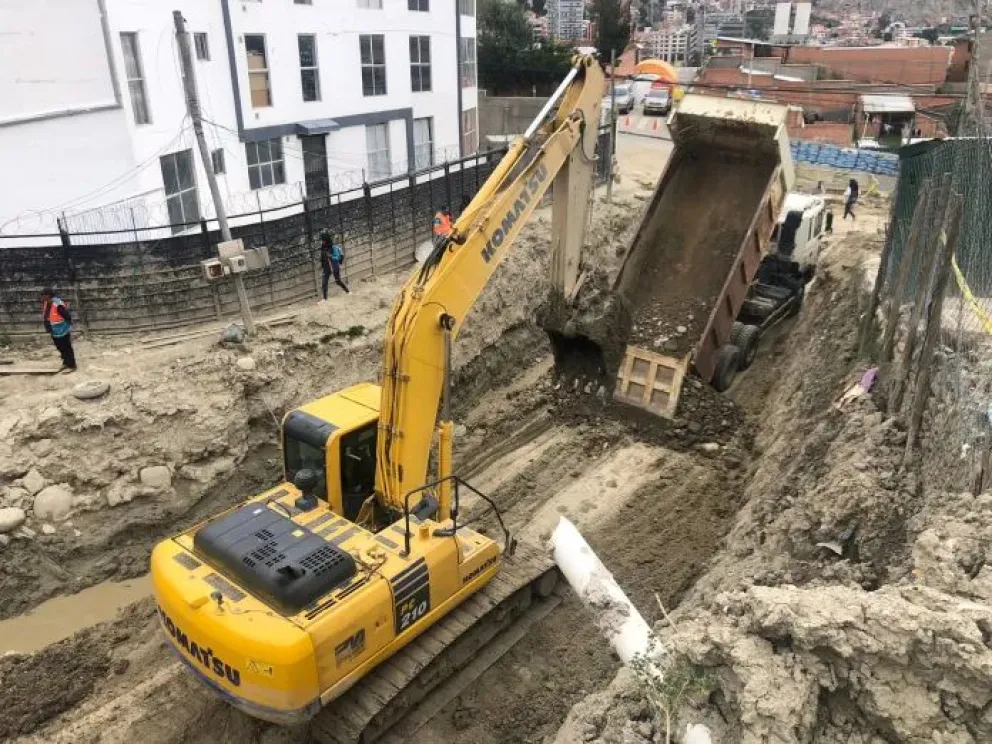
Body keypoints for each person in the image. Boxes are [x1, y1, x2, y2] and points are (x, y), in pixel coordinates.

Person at [41, 287, 76, 372]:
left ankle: (72, 365)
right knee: (60, 347)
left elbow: (67, 316)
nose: (41, 297)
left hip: (62, 330)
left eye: (43, 295)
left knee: (66, 347)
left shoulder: (58, 304)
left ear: (48, 296)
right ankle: (65, 362)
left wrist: (68, 325)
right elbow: (47, 315)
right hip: (54, 330)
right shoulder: (47, 303)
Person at [320, 232, 349, 298]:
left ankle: (347, 291)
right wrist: (322, 263)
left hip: (334, 266)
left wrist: (331, 256)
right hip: (327, 267)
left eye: (323, 240)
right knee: (324, 283)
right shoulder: (323, 247)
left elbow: (338, 257)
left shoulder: (333, 247)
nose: (322, 242)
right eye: (322, 240)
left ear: (326, 240)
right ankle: (325, 299)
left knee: (338, 281)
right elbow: (322, 256)